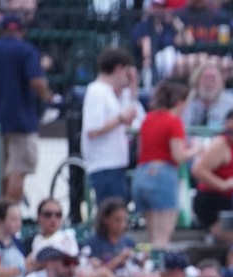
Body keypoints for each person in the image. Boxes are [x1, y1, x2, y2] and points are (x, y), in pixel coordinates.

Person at [0, 14, 53, 205]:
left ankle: (1, 217)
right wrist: (48, 97)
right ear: (22, 31)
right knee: (19, 170)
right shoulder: (27, 51)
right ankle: (10, 216)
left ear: (0, 30)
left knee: (2, 172)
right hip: (23, 120)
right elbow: (36, 81)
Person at [133, 80, 200, 252]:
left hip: (141, 174)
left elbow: (141, 152)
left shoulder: (148, 119)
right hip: (163, 175)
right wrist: (196, 149)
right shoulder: (174, 122)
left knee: (152, 236)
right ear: (179, 102)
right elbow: (179, 155)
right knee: (162, 238)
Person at [81, 47, 142, 209]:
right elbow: (93, 129)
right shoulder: (97, 91)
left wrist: (132, 88)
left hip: (114, 165)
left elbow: (131, 118)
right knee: (111, 216)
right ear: (118, 68)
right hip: (105, 166)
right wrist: (121, 118)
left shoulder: (109, 93)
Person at [191, 110, 233, 238]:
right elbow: (198, 170)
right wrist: (222, 184)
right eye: (228, 132)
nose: (232, 136)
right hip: (215, 202)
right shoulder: (221, 145)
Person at [181, 62, 233, 129]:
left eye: (213, 78)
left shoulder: (230, 101)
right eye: (206, 78)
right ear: (197, 81)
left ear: (220, 83)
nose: (209, 83)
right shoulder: (188, 100)